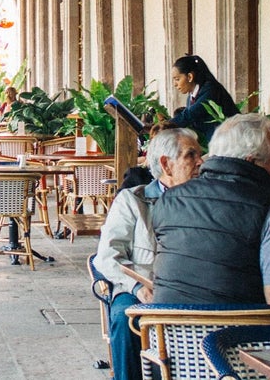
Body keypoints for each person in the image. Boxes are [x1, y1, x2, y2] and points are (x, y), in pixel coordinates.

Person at [151, 113, 270, 306]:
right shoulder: (269, 206)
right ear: (252, 160)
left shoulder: (168, 200)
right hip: (236, 333)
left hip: (167, 331)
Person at [95, 128, 204, 380]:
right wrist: (136, 287)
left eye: (200, 154)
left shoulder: (206, 201)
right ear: (166, 164)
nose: (200, 161)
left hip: (193, 288)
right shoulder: (133, 201)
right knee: (125, 317)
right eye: (191, 155)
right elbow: (108, 256)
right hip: (141, 288)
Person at [165, 55, 239, 144]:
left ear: (189, 77)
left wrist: (164, 127)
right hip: (216, 144)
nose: (175, 84)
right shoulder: (191, 97)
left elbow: (190, 115)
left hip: (231, 142)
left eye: (177, 79)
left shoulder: (211, 90)